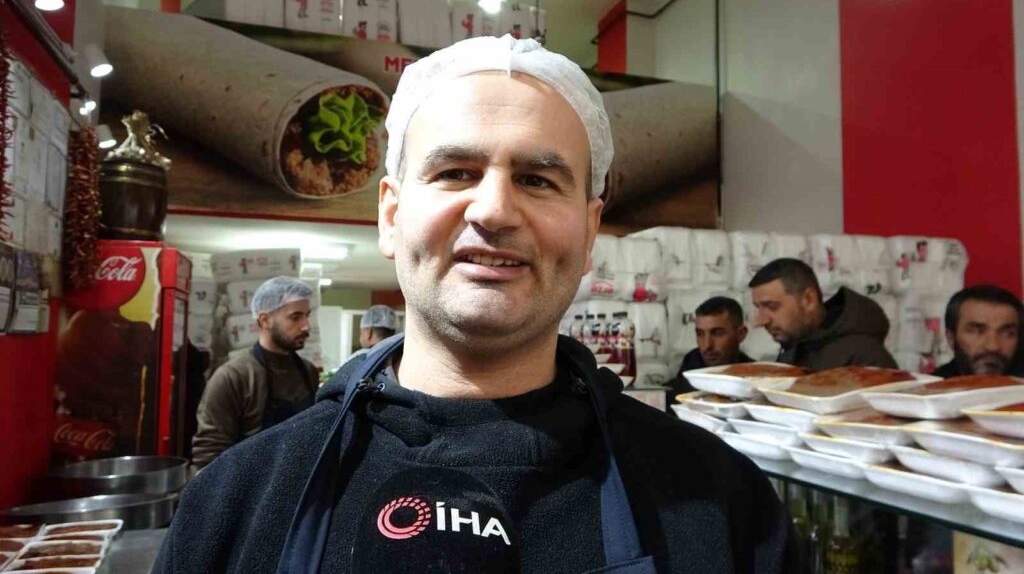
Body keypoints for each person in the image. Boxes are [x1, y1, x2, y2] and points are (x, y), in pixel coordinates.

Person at [154, 36, 794, 573]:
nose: (493, 210)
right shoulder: (234, 503)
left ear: (590, 230)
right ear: (391, 215)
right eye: (455, 172)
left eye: (537, 179)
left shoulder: (721, 502)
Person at [190, 276, 319, 470]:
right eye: (295, 317)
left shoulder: (308, 372)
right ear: (265, 320)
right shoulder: (233, 376)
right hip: (249, 484)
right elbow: (209, 453)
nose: (306, 326)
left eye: (307, 316)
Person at [750, 258, 897, 370]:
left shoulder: (866, 359)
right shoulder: (795, 347)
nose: (760, 321)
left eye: (772, 306)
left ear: (809, 300)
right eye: (758, 308)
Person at [934, 285, 1024, 377]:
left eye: (1007, 334)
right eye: (977, 332)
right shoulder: (932, 384)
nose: (992, 346)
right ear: (951, 338)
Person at [669, 296, 753, 394]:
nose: (707, 345)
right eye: (700, 334)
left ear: (741, 334)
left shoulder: (759, 381)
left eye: (717, 333)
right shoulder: (670, 394)